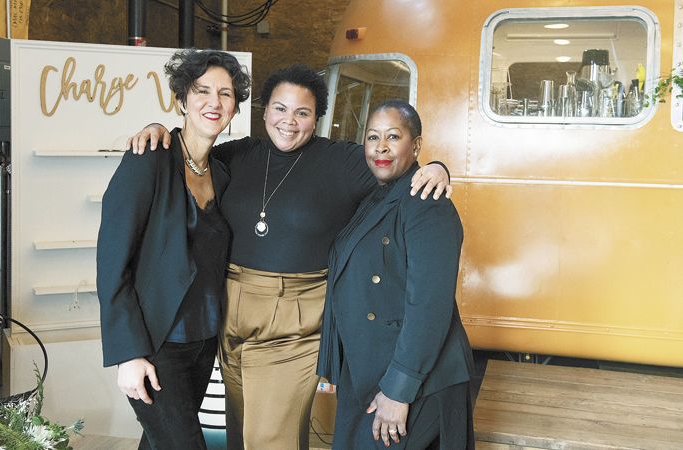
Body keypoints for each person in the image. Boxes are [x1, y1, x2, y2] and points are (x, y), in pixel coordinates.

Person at [128, 65, 452, 450]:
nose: (289, 121)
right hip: (231, 315)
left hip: (294, 324)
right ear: (263, 112)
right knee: (242, 434)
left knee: (269, 439)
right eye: (280, 109)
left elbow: (395, 167)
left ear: (317, 119)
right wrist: (158, 129)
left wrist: (438, 167)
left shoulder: (343, 161)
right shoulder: (237, 155)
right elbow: (190, 150)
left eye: (303, 113)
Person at [96, 49, 251, 450]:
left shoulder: (221, 170)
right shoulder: (148, 159)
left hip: (202, 344)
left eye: (226, 94)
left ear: (235, 108)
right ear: (181, 100)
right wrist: (127, 354)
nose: (213, 102)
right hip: (156, 344)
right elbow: (113, 261)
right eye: (202, 91)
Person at [317, 100, 475, 449]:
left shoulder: (427, 202)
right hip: (370, 368)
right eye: (373, 137)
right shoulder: (375, 195)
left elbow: (429, 307)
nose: (381, 147)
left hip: (415, 378)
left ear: (416, 145)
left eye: (393, 136)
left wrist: (398, 391)